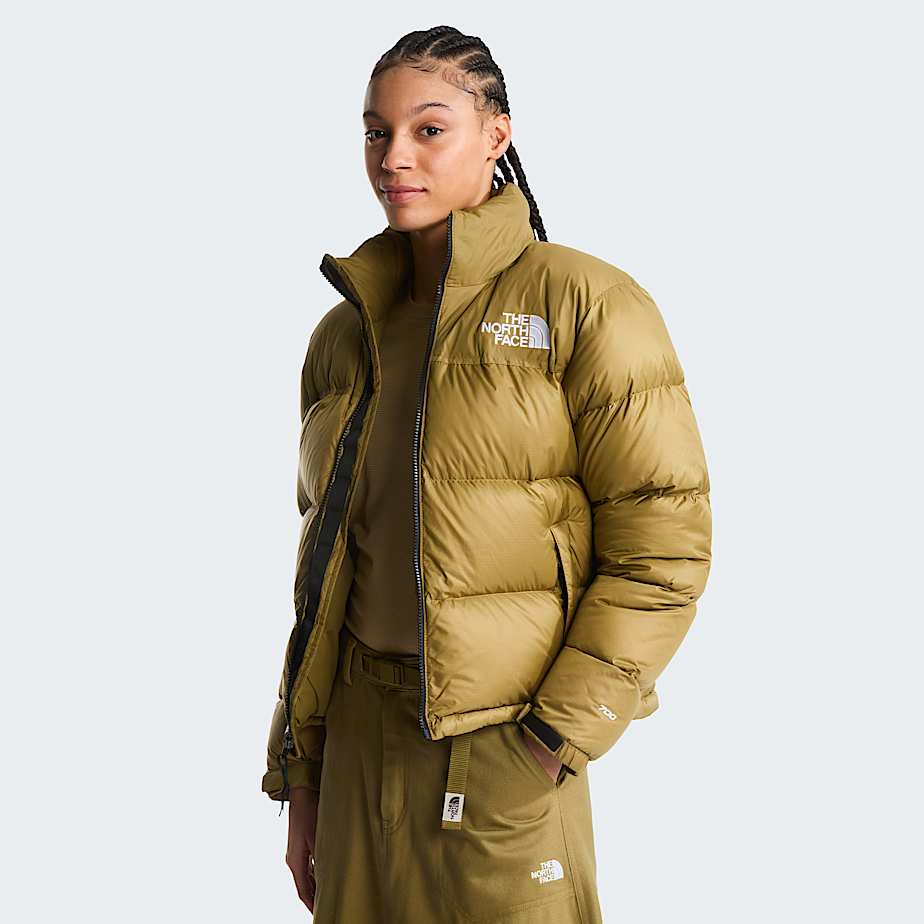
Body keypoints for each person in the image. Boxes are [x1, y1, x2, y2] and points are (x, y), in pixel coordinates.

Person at [260, 25, 712, 923]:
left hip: (502, 748)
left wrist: (551, 738)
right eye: (376, 132)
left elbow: (664, 547)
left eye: (429, 129)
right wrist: (303, 768)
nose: (395, 156)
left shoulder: (582, 302)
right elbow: (323, 576)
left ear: (496, 135)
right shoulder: (344, 335)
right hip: (355, 746)